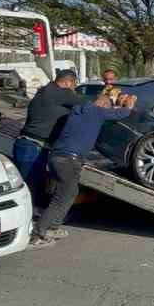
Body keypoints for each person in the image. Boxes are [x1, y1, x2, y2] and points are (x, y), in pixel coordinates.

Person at [33, 87, 137, 246]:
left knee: (70, 192)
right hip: (69, 160)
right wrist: (129, 105)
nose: (109, 110)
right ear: (102, 103)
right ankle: (39, 232)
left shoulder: (79, 111)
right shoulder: (97, 112)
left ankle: (53, 226)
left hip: (57, 157)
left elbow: (108, 110)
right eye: (108, 106)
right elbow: (122, 113)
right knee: (61, 196)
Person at [15, 69, 81, 202]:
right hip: (33, 146)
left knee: (32, 185)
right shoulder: (58, 92)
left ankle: (31, 213)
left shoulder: (48, 90)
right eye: (74, 85)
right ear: (68, 82)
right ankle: (24, 218)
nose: (75, 89)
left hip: (31, 145)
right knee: (28, 186)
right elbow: (85, 104)